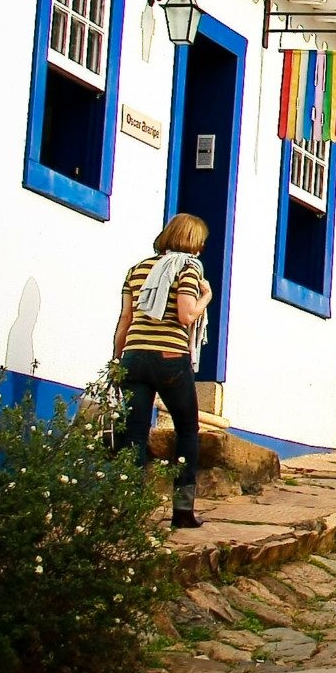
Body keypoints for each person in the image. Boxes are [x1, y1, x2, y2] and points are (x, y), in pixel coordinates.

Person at [114, 213, 214, 530]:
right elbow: (186, 315)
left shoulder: (137, 269)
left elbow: (126, 319)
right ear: (193, 242)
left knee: (133, 435)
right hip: (170, 358)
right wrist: (206, 297)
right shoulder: (187, 269)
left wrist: (118, 360)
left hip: (134, 356)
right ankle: (182, 511)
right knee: (186, 430)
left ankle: (128, 510)